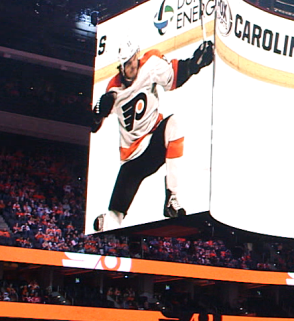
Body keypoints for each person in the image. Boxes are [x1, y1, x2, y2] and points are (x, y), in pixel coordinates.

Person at [91, 38, 213, 231]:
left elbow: (175, 76)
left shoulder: (151, 63)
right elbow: (92, 125)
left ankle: (172, 198)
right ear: (120, 67)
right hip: (133, 160)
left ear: (137, 57)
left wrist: (196, 62)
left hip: (156, 141)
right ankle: (107, 225)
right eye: (126, 65)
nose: (130, 68)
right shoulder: (113, 91)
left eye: (132, 61)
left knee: (175, 124)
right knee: (114, 217)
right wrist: (98, 113)